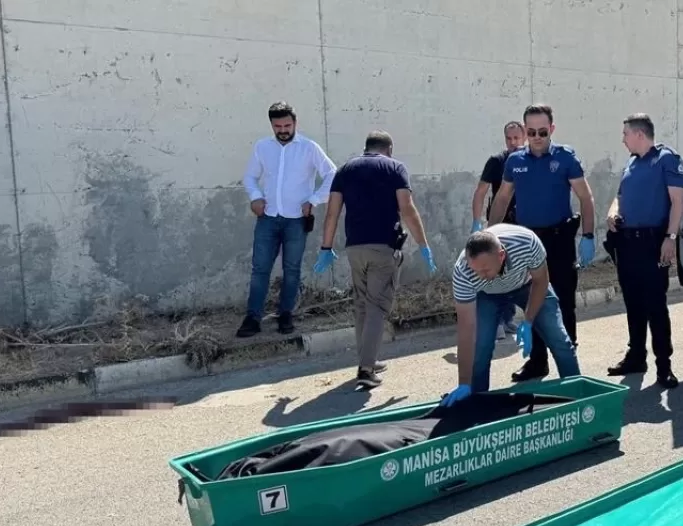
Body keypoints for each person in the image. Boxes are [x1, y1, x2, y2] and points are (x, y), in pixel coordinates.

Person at [314, 131, 436, 390]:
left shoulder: (345, 169)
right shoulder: (395, 168)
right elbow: (407, 209)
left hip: (355, 248)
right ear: (389, 148)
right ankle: (366, 370)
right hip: (383, 247)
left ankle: (367, 358)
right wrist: (423, 244)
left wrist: (326, 247)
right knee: (378, 307)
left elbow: (332, 212)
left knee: (362, 305)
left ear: (366, 148)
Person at [487, 103, 598, 383]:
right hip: (527, 242)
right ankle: (537, 362)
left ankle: (568, 360)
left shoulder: (565, 158)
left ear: (552, 129)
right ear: (525, 131)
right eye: (532, 132)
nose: (537, 137)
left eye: (543, 132)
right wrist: (489, 236)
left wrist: (588, 235)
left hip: (559, 239)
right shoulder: (515, 161)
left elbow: (585, 197)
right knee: (531, 299)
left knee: (563, 300)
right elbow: (502, 198)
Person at [440, 224, 581, 406]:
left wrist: (528, 320)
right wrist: (464, 383)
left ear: (501, 255)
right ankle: (476, 404)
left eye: (485, 270)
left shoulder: (526, 243)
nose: (480, 276)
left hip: (527, 285)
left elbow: (541, 280)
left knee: (560, 339)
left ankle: (578, 397)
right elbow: (466, 329)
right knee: (480, 349)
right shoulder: (463, 271)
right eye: (476, 271)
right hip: (488, 295)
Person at [238, 101, 337, 337]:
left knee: (291, 269)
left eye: (287, 125)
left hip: (296, 220)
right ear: (271, 125)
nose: (283, 130)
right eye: (278, 126)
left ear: (295, 123)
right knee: (260, 269)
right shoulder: (262, 147)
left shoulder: (309, 148)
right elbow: (250, 177)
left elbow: (333, 174)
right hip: (268, 218)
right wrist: (255, 197)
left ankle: (286, 315)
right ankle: (253, 318)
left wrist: (314, 200)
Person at [604, 113, 682, 389]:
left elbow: (677, 201)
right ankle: (636, 356)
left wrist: (671, 237)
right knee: (633, 304)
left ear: (639, 134)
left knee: (655, 306)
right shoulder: (632, 163)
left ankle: (664, 366)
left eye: (625, 134)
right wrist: (612, 212)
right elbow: (620, 196)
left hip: (653, 243)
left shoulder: (665, 159)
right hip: (628, 244)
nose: (623, 139)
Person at [472, 121, 526, 340]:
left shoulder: (530, 161)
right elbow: (481, 191)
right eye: (509, 139)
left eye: (516, 138)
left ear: (524, 137)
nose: (513, 143)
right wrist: (477, 222)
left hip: (523, 226)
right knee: (496, 273)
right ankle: (495, 322)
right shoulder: (497, 161)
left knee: (516, 273)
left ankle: (508, 317)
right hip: (499, 226)